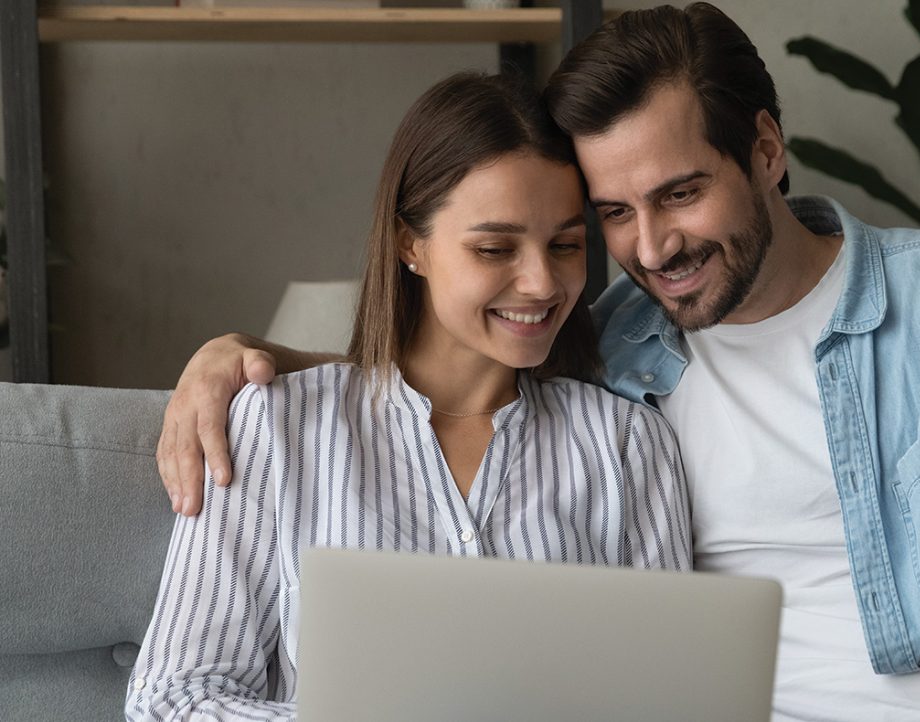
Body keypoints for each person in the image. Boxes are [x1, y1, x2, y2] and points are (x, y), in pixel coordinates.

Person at [153, 3, 920, 720]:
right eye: (612, 214)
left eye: (681, 192)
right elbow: (447, 367)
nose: (650, 247)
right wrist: (246, 364)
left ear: (765, 149)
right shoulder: (618, 346)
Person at [126, 71, 691, 721]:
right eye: (494, 247)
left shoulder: (627, 446)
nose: (541, 282)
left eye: (565, 244)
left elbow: (670, 701)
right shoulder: (277, 427)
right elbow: (170, 701)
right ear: (410, 244)